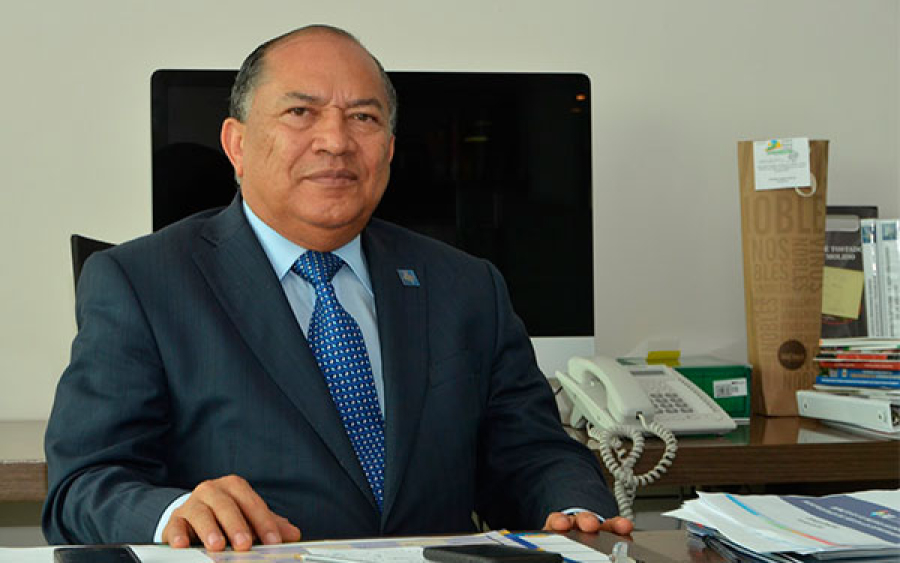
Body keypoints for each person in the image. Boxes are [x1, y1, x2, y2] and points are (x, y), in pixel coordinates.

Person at [42, 24, 633, 551]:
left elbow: (531, 452)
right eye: (301, 112)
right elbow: (83, 487)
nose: (336, 140)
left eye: (364, 118)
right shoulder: (141, 283)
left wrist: (575, 508)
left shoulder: (466, 285)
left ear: (390, 151)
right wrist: (174, 513)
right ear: (237, 144)